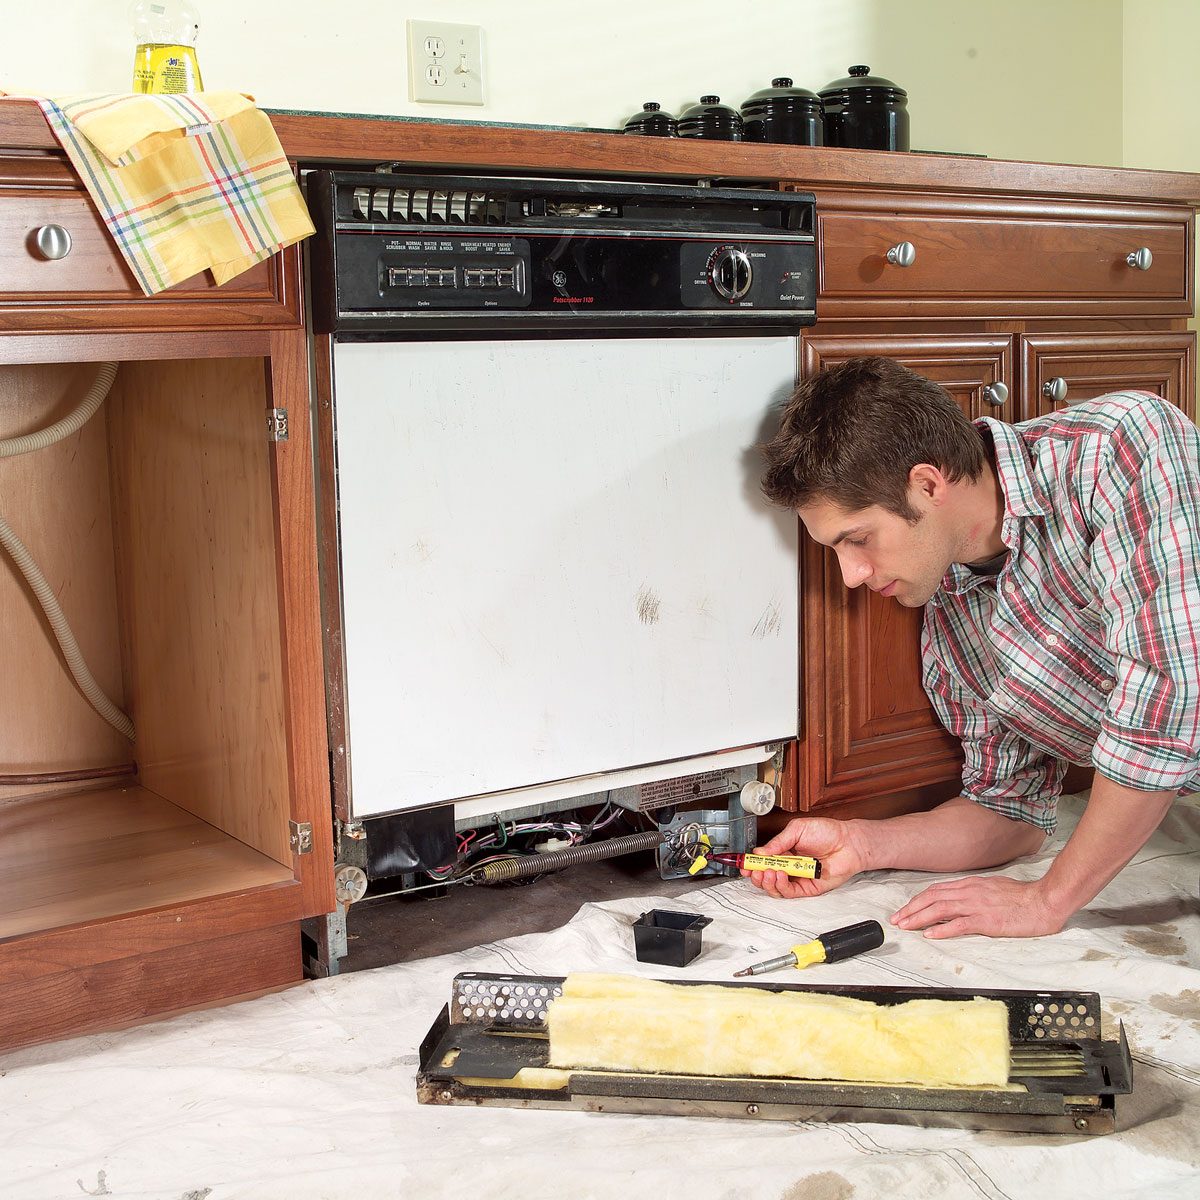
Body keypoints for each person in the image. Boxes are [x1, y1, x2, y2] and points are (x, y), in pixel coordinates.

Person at [751, 355, 1200, 939]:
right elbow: (1009, 810)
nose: (850, 575)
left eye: (857, 540)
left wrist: (1048, 900)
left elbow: (1167, 700)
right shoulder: (953, 625)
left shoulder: (1119, 448)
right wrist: (863, 842)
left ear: (928, 484)